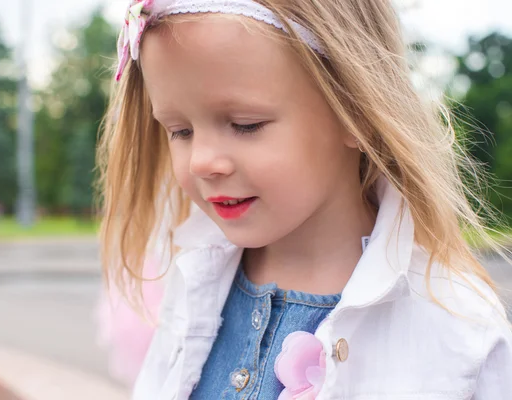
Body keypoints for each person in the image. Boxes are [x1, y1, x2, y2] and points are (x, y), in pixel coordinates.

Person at [96, 0, 512, 398]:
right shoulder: (190, 287)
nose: (203, 161)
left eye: (246, 125)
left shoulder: (458, 329)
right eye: (180, 131)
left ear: (358, 113)